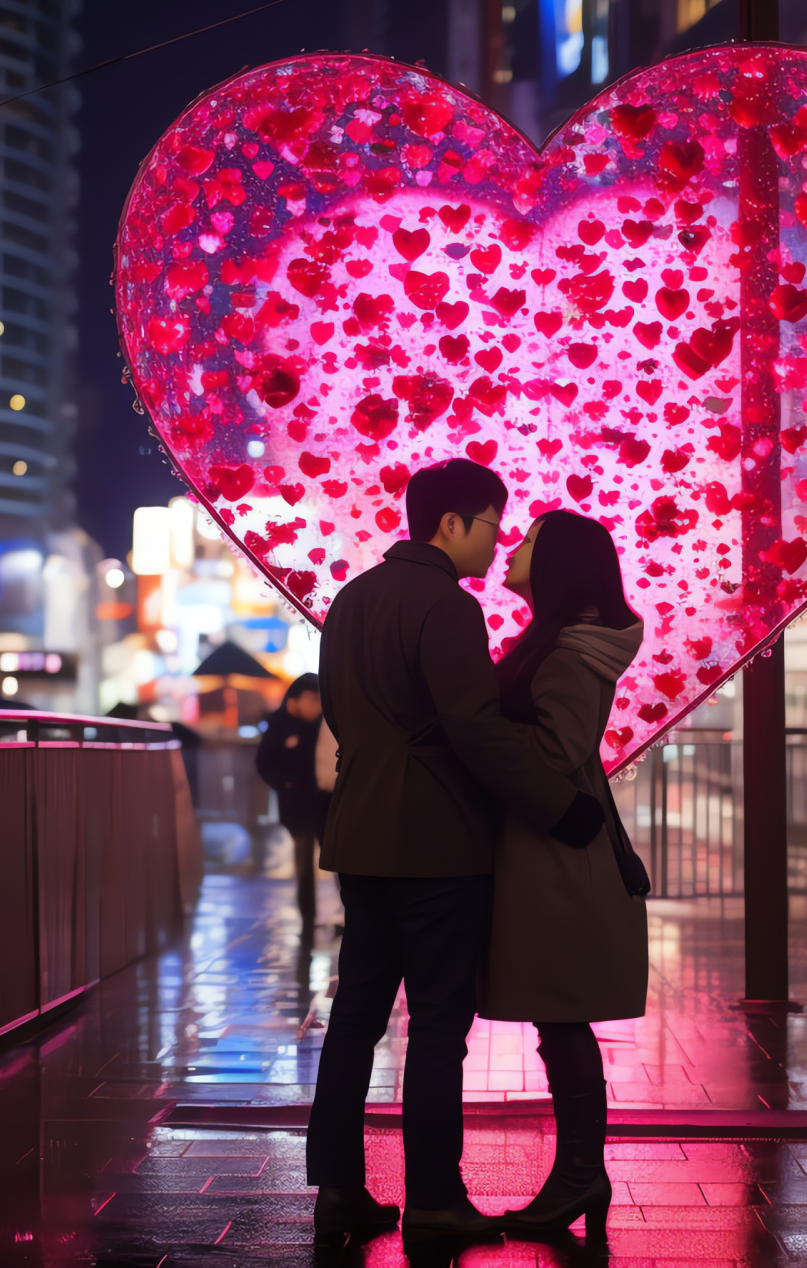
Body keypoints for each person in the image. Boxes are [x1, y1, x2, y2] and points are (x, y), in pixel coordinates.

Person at [305, 458, 608, 1249]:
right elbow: (476, 730)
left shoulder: (351, 599)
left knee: (356, 1019)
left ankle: (337, 1190)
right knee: (438, 1029)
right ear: (452, 525)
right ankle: (436, 1198)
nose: (496, 543)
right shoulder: (447, 607)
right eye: (491, 526)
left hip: (362, 833)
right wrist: (561, 808)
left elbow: (341, 712)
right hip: (438, 841)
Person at [481, 511, 648, 1242]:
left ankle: (582, 1173)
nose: (511, 550)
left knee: (562, 1015)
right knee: (558, 1018)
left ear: (558, 566)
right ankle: (581, 1174)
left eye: (527, 544)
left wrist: (474, 728)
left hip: (555, 862)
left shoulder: (570, 654)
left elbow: (556, 752)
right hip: (548, 856)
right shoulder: (562, 643)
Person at [254, 674, 331, 927]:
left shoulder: (322, 723)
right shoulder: (279, 724)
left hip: (324, 800)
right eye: (312, 699)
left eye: (320, 699)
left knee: (339, 859)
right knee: (304, 861)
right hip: (297, 805)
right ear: (295, 699)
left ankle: (352, 917)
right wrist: (286, 785)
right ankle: (308, 918)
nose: (317, 705)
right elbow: (264, 762)